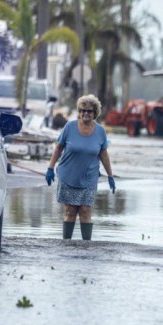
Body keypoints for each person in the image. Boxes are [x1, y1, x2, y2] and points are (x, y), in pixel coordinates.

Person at [45, 94, 115, 241]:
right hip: (68, 175)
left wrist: (110, 175)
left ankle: (86, 247)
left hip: (89, 178)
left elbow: (103, 154)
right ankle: (67, 244)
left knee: (85, 211)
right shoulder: (69, 127)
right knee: (70, 211)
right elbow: (58, 148)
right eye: (82, 110)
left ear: (95, 112)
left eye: (89, 111)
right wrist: (50, 168)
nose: (85, 113)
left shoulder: (100, 131)